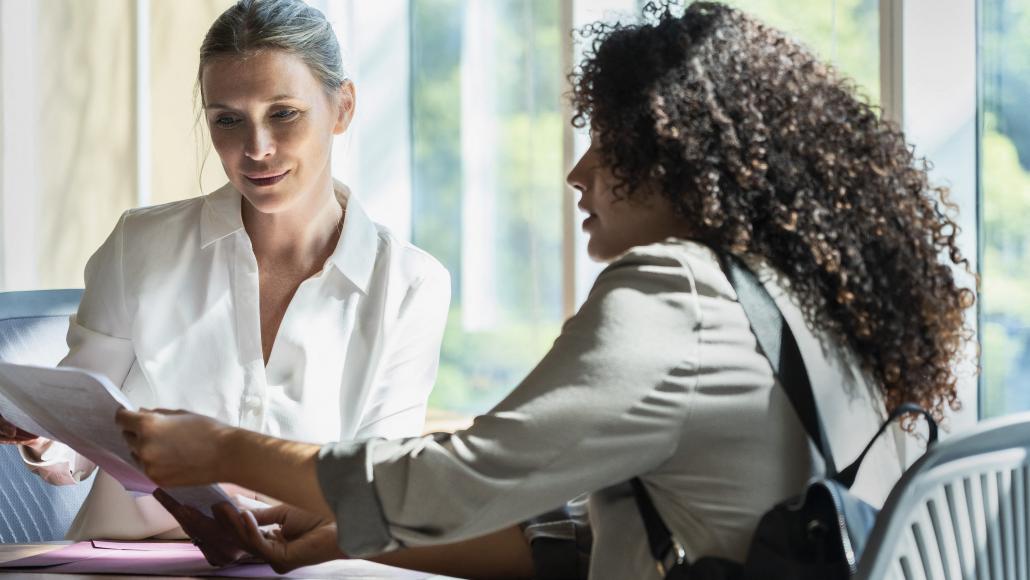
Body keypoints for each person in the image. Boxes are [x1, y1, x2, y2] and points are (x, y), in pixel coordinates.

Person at [116, 2, 975, 578]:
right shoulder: (798, 295)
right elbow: (576, 527)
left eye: (606, 145)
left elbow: (456, 479)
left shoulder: (674, 296)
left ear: (685, 165)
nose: (578, 172)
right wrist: (364, 537)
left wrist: (221, 449)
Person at [0, 0, 449, 541]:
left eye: (283, 113)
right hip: (123, 566)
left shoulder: (410, 286)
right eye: (228, 121)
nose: (256, 148)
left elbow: (379, 486)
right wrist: (40, 431)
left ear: (342, 107)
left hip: (304, 568)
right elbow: (77, 440)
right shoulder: (139, 247)